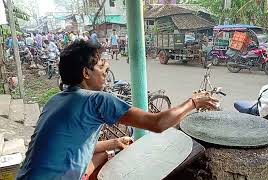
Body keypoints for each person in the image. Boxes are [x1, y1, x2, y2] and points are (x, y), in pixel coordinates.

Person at [16, 40, 218, 180]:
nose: (106, 70)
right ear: (86, 73)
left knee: (106, 154)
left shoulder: (54, 100)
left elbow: (72, 148)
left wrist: (114, 142)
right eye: (100, 64)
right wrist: (193, 102)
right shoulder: (97, 100)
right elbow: (157, 123)